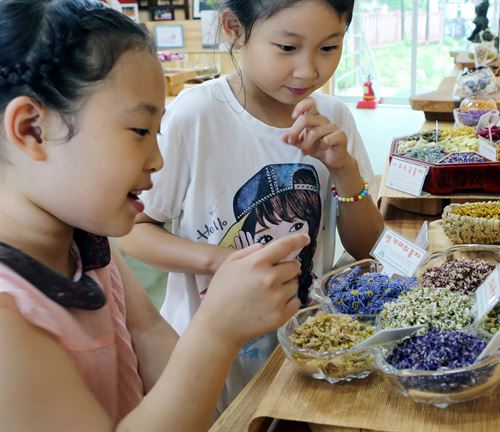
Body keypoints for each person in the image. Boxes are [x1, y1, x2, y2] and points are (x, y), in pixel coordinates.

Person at [0, 0, 308, 430]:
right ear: (32, 129)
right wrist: (217, 331)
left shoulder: (88, 246)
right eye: (140, 131)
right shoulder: (9, 317)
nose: (157, 160)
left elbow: (148, 335)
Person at [120, 0, 385, 412]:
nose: (309, 70)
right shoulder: (197, 116)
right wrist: (220, 262)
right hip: (208, 360)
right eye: (286, 47)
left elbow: (369, 247)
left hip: (305, 349)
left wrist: (345, 169)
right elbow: (135, 230)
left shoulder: (334, 118)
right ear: (233, 28)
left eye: (329, 48)